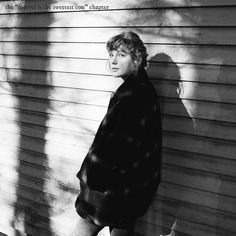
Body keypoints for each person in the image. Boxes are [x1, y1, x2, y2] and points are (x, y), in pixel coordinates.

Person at [71, 31, 162, 236]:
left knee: (83, 229)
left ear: (136, 58)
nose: (113, 60)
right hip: (130, 188)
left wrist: (91, 179)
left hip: (112, 189)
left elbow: (115, 146)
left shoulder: (134, 95)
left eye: (121, 55)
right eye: (111, 54)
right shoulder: (139, 89)